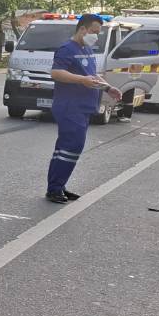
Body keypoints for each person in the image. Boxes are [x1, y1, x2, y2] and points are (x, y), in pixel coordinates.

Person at [45, 13, 120, 203]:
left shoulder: (86, 49)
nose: (96, 36)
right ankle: (55, 188)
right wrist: (81, 80)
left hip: (83, 107)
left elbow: (92, 75)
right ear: (82, 29)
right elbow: (56, 73)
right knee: (72, 147)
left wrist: (108, 88)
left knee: (65, 148)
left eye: (98, 33)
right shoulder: (67, 49)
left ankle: (58, 186)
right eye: (94, 32)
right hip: (70, 106)